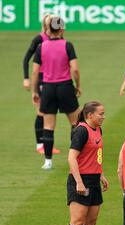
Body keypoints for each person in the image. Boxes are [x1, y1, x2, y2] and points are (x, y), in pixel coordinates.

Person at [59, 101, 108, 225]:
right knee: (77, 221)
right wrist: (79, 182)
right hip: (80, 181)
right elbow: (72, 158)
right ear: (90, 115)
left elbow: (96, 154)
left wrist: (100, 174)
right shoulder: (81, 131)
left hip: (94, 180)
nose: (103, 116)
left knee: (91, 222)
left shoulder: (98, 129)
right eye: (101, 113)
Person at [32, 16, 81, 170]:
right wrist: (78, 85)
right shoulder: (67, 45)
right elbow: (75, 69)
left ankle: (48, 161)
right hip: (65, 86)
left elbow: (35, 72)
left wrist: (35, 91)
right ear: (62, 28)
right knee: (76, 123)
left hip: (47, 88)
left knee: (48, 126)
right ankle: (76, 157)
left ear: (48, 29)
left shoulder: (42, 46)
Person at [22, 13, 60, 155]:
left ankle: (47, 143)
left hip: (53, 80)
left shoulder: (57, 39)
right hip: (41, 79)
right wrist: (26, 78)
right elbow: (26, 59)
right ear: (45, 24)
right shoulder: (39, 39)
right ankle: (40, 144)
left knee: (49, 113)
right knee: (41, 112)